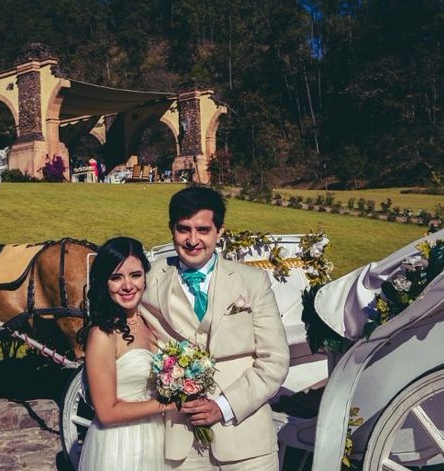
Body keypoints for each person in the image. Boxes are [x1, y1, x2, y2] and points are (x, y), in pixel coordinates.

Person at [140, 187, 290, 470]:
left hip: (248, 443)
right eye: (183, 229)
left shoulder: (252, 282)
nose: (193, 240)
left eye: (203, 230)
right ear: (171, 230)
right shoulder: (148, 280)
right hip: (178, 445)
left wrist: (223, 406)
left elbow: (275, 360)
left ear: (219, 231)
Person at [78, 237, 176, 471]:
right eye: (116, 277)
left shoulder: (150, 321)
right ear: (104, 283)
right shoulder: (103, 334)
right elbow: (106, 412)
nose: (127, 286)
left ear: (145, 277)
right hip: (121, 445)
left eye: (135, 275)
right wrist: (170, 405)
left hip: (159, 438)